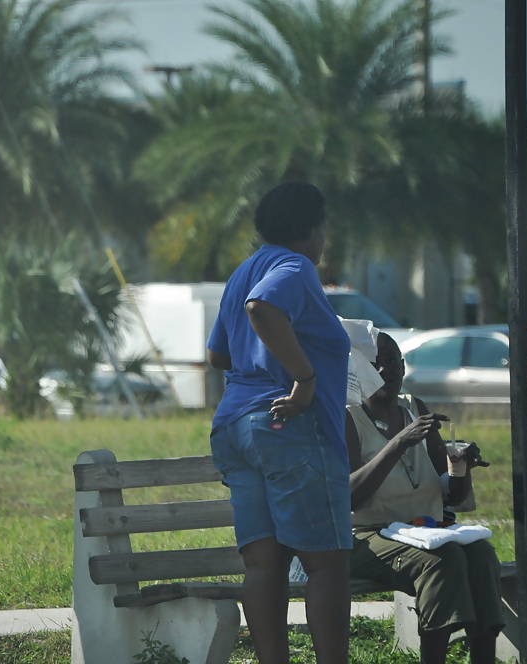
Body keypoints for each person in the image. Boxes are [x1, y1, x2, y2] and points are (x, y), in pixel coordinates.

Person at [207, 182, 353, 664]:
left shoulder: (242, 271)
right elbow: (262, 309)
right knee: (326, 564)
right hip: (288, 427)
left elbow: (217, 354)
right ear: (313, 229)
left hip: (236, 429)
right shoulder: (294, 266)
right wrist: (304, 378)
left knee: (264, 567)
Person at [346, 332, 503, 664]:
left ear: (403, 368)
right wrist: (399, 443)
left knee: (482, 555)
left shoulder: (414, 409)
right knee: (442, 560)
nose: (385, 369)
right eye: (374, 363)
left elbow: (451, 494)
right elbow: (349, 496)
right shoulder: (348, 417)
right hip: (366, 536)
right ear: (358, 369)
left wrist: (459, 466)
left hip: (423, 530)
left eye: (392, 361)